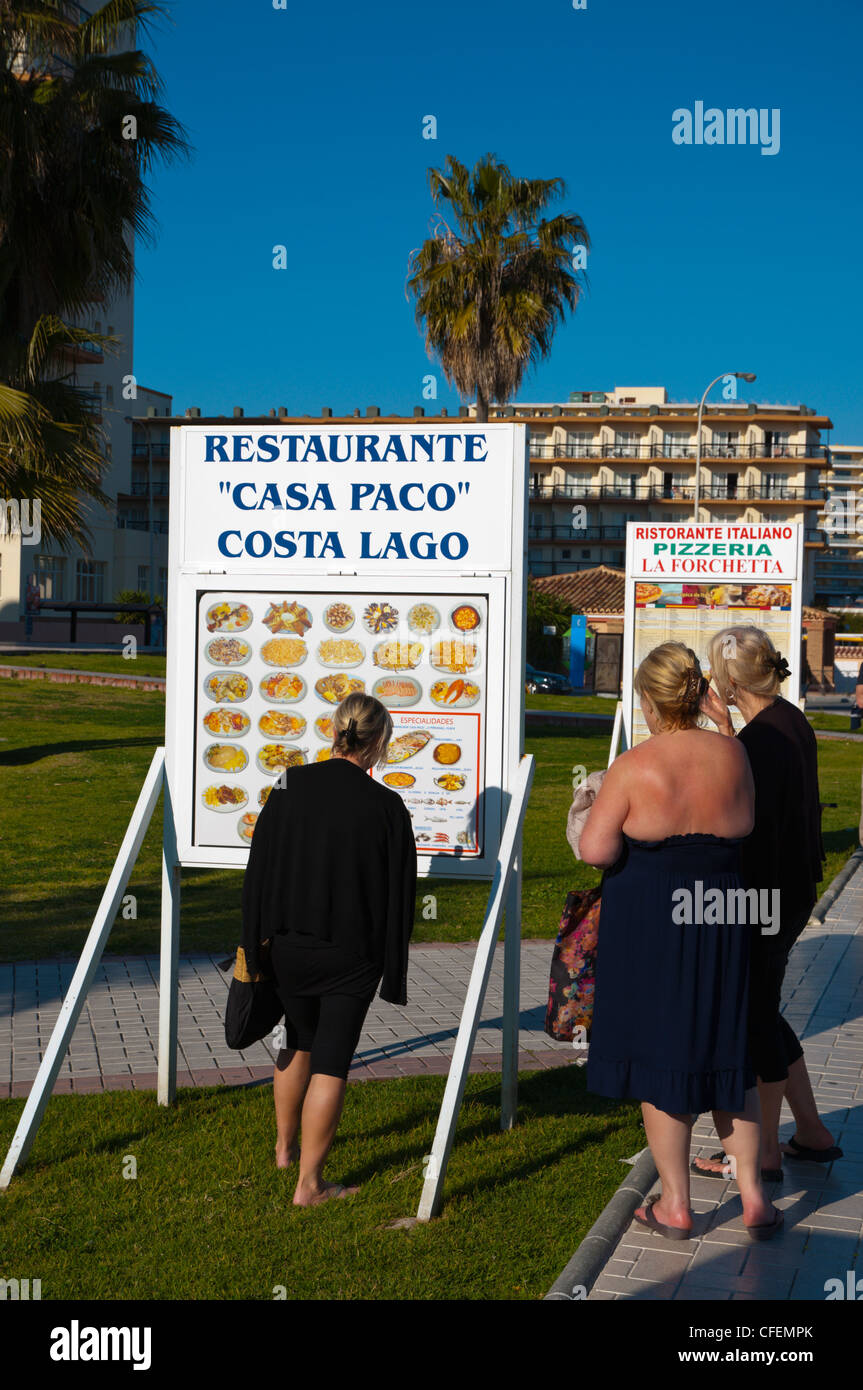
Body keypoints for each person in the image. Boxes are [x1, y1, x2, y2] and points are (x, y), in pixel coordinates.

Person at [579, 641, 782, 1241]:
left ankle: (676, 1204)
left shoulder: (635, 765)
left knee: (662, 1057)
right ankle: (753, 1198)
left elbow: (596, 849)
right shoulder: (734, 754)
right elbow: (746, 823)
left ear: (648, 699)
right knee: (729, 1052)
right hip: (723, 915)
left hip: (654, 926)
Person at [241, 692, 417, 1207]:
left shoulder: (289, 783)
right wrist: (391, 963)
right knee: (332, 1062)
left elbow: (261, 867)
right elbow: (399, 893)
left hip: (289, 946)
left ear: (333, 730)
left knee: (297, 1039)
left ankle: (283, 1148)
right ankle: (310, 1186)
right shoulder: (386, 805)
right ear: (379, 741)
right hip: (351, 954)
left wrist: (257, 940)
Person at [695, 626, 841, 1180]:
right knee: (766, 1008)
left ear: (730, 679)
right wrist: (732, 732)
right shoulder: (787, 720)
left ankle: (764, 1154)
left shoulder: (758, 741)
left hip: (762, 897)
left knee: (754, 1019)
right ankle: (812, 1132)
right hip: (790, 889)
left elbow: (744, 818)